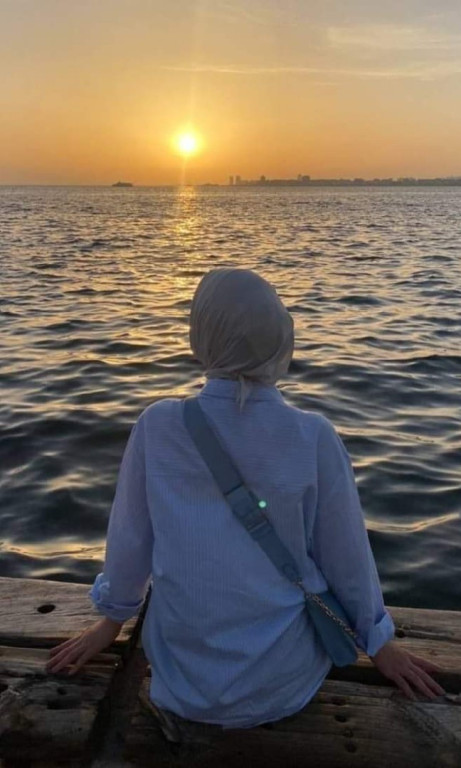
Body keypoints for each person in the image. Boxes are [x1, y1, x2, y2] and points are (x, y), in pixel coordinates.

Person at [47, 268, 444, 735]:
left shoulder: (157, 426)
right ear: (280, 339)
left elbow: (130, 543)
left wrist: (110, 623)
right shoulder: (313, 436)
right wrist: (378, 643)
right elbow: (347, 558)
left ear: (201, 337)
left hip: (182, 681)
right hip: (284, 682)